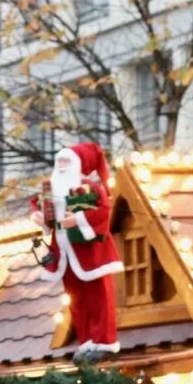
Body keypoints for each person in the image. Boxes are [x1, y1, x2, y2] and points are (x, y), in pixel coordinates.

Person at [31, 141, 125, 362]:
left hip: (91, 255)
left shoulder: (90, 188)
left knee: (99, 297)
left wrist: (78, 219)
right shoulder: (51, 188)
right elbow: (36, 203)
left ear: (77, 164)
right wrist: (38, 216)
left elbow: (103, 211)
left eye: (67, 161)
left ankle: (104, 342)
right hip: (64, 255)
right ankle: (86, 342)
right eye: (59, 161)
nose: (62, 165)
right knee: (76, 299)